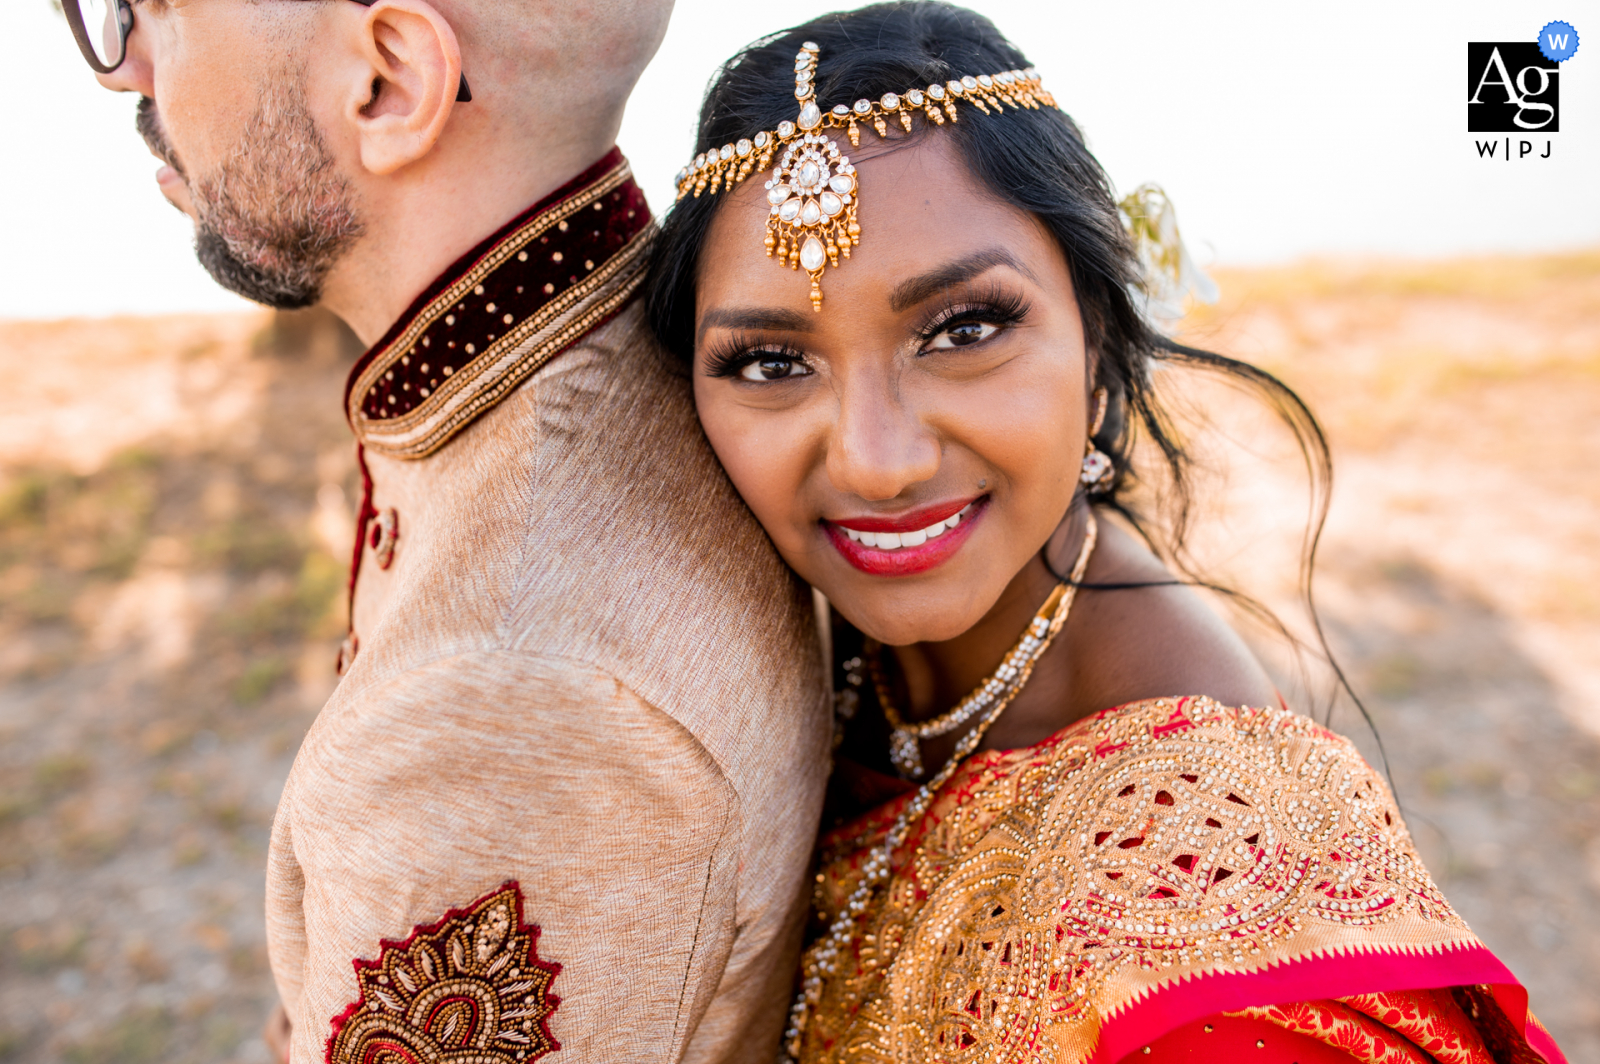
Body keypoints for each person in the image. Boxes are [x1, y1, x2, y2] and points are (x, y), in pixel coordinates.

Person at [645, 4, 1567, 1062]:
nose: (874, 459)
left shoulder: (1215, 937)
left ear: (1096, 329)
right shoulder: (828, 672)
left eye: (964, 330)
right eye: (771, 362)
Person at [62, 0, 834, 1060]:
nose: (123, 68)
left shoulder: (509, 693)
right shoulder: (595, 355)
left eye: (153, 10)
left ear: (388, 80)